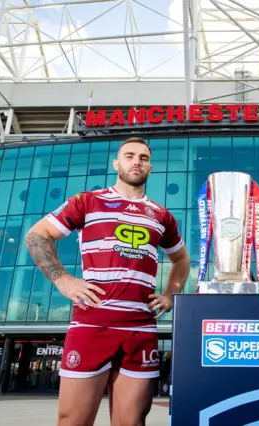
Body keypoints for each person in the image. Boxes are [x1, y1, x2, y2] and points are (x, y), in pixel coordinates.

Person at [25, 137, 190, 426]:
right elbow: (37, 235)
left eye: (142, 157)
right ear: (117, 163)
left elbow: (181, 260)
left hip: (141, 327)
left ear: (150, 167)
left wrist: (170, 294)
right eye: (129, 156)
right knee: (72, 420)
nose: (136, 161)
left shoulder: (162, 215)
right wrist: (63, 280)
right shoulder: (88, 201)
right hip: (92, 324)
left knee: (131, 422)